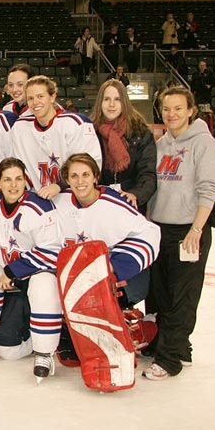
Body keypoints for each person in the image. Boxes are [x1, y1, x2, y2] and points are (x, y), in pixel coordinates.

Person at [52, 154, 161, 361]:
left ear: (95, 177)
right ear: (66, 180)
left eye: (85, 175)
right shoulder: (60, 202)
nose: (80, 181)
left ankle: (130, 325)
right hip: (79, 281)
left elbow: (150, 233)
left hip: (123, 280)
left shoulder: (113, 204)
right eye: (74, 176)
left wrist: (113, 267)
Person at [145, 86, 215, 380]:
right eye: (166, 109)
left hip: (189, 230)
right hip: (161, 229)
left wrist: (196, 230)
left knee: (182, 297)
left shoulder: (204, 144)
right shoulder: (161, 145)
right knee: (161, 293)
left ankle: (170, 359)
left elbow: (209, 190)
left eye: (178, 108)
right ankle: (178, 348)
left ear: (191, 110)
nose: (171, 114)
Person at [0, 157, 62, 382]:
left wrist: (12, 271)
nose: (13, 184)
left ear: (25, 180)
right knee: (7, 350)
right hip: (11, 280)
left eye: (18, 179)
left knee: (44, 286)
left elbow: (51, 251)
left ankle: (45, 351)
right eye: (7, 179)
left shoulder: (40, 206)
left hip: (37, 274)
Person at [10, 75, 102, 199]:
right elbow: (18, 167)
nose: (35, 102)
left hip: (75, 198)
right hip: (40, 200)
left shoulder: (75, 123)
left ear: (52, 97)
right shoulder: (20, 127)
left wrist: (59, 185)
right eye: (30, 98)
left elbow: (90, 167)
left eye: (40, 96)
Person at [90, 79, 157, 213]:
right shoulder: (89, 132)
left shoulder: (141, 132)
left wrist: (136, 195)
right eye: (107, 99)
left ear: (124, 102)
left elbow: (148, 174)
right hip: (98, 205)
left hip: (131, 204)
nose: (112, 104)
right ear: (100, 103)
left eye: (117, 99)